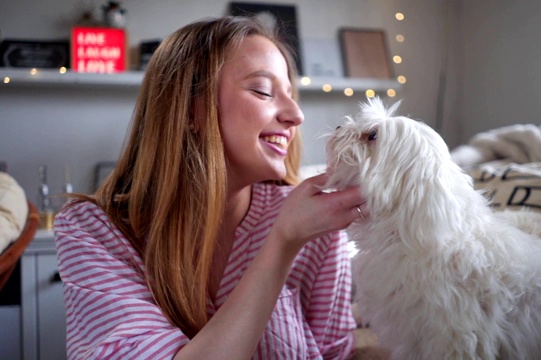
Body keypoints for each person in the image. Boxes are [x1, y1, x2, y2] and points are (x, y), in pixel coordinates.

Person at [54, 16, 365, 359]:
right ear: (191, 109)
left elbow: (335, 353)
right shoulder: (94, 231)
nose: (296, 114)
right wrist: (282, 243)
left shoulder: (316, 229)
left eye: (291, 95)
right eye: (263, 91)